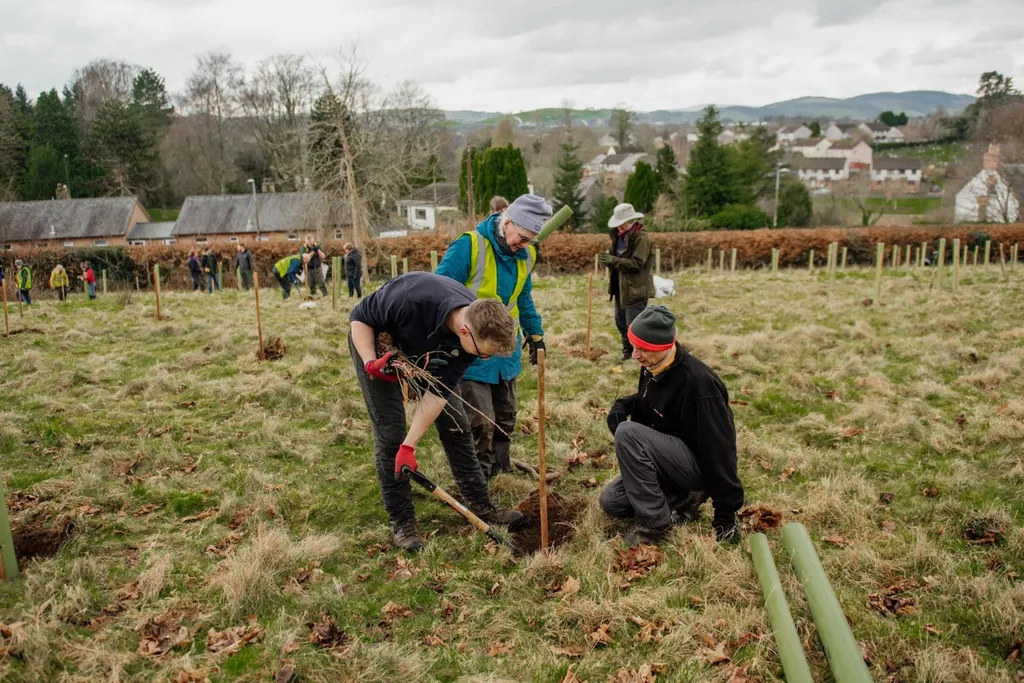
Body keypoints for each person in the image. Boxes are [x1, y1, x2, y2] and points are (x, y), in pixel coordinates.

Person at [349, 271, 525, 551]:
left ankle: (480, 504)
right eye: (485, 353)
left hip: (427, 354)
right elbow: (359, 318)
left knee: (456, 423)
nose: (485, 358)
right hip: (378, 347)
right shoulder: (409, 300)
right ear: (466, 331)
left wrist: (412, 445)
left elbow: (438, 393)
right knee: (391, 434)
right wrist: (371, 361)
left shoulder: (472, 332)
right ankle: (402, 521)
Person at [598, 305, 744, 546]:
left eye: (642, 349)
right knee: (611, 502)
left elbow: (721, 450)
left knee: (628, 433)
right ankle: (686, 498)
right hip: (669, 459)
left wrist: (725, 517)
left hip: (697, 465)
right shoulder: (653, 366)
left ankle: (654, 525)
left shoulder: (699, 386)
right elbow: (655, 403)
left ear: (664, 346)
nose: (635, 355)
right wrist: (624, 406)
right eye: (634, 347)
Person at [436, 194, 546, 479]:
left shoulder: (527, 254)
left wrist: (536, 335)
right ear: (506, 221)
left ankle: (501, 467)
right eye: (521, 237)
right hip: (471, 350)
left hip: (505, 353)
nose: (523, 245)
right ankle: (479, 477)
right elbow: (437, 292)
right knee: (480, 420)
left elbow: (524, 298)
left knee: (506, 415)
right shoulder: (469, 246)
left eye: (530, 241)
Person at [599, 203, 654, 361]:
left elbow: (637, 264)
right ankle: (627, 354)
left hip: (636, 289)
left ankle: (642, 356)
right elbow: (616, 257)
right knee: (621, 322)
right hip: (620, 288)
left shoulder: (641, 239)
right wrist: (609, 259)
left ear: (629, 222)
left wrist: (614, 261)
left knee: (634, 326)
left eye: (620, 224)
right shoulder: (619, 236)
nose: (618, 228)